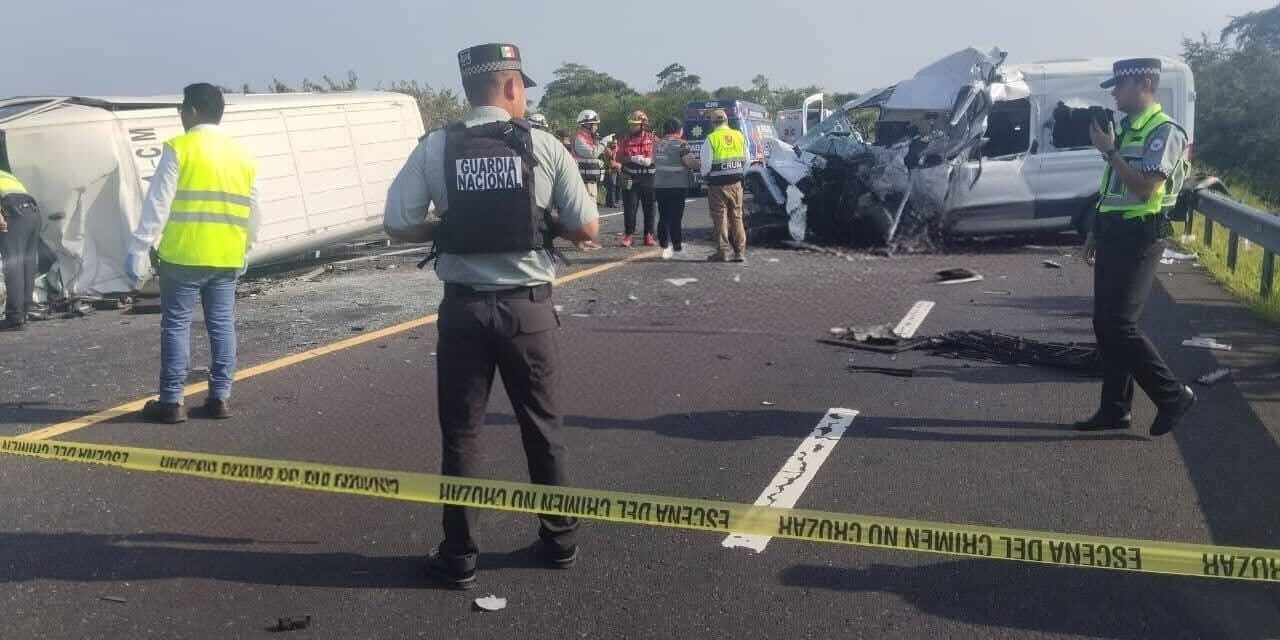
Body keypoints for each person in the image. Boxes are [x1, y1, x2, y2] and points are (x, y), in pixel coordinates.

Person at [382, 42, 599, 590]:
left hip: (463, 310)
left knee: (462, 434)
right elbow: (589, 228)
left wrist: (444, 229)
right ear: (510, 87)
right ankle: (560, 541)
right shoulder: (544, 146)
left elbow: (397, 222)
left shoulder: (435, 147)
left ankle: (458, 554)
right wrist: (544, 224)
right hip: (528, 312)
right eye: (523, 85)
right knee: (543, 429)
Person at [125, 83, 261, 423]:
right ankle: (220, 398)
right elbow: (255, 209)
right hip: (227, 256)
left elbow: (159, 202)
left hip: (183, 256)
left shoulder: (180, 148)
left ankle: (171, 401)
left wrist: (139, 248)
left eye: (181, 109)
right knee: (222, 325)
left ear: (193, 111)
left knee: (176, 324)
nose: (180, 115)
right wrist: (246, 247)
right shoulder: (241, 155)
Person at [1076, 58, 1195, 437]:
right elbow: (1112, 189)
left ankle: (1172, 395)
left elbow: (1146, 187)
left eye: (1118, 86)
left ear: (1144, 82)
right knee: (1104, 325)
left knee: (1121, 325)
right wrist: (1095, 230)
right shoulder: (1126, 130)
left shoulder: (1165, 132)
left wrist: (1110, 151)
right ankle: (1115, 409)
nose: (1113, 93)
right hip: (1113, 233)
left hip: (1141, 236)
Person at [699, 109, 748, 263]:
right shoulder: (739, 136)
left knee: (720, 219)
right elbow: (747, 161)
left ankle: (723, 252)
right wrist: (740, 176)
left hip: (717, 186)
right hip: (736, 184)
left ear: (713, 123)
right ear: (727, 121)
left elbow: (706, 165)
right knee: (737, 217)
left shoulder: (711, 139)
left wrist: (705, 176)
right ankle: (740, 252)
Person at [0, 169, 43, 331]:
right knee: (27, 264)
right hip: (32, 213)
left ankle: (14, 317)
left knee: (14, 265)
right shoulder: (5, 174)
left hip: (13, 213)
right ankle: (24, 312)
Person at [653, 118, 699, 260]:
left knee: (663, 217)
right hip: (677, 186)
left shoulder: (657, 145)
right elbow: (690, 163)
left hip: (660, 186)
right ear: (679, 130)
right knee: (675, 218)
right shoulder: (681, 145)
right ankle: (677, 249)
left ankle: (663, 248)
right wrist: (701, 164)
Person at [612, 110, 658, 247]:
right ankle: (629, 234)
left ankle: (649, 235)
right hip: (631, 177)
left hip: (649, 178)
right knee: (630, 207)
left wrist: (652, 159)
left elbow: (661, 155)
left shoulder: (654, 140)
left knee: (650, 207)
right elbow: (619, 158)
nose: (631, 127)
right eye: (631, 125)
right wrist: (632, 158)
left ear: (643, 125)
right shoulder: (625, 141)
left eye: (634, 125)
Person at [571, 110, 609, 250]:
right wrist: (604, 143)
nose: (596, 127)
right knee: (585, 211)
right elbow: (592, 153)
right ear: (587, 124)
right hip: (584, 180)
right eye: (595, 124)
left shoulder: (588, 137)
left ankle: (586, 239)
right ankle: (583, 240)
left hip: (590, 180)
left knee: (589, 210)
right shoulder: (580, 138)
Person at [602, 138, 620, 207]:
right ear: (610, 143)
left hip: (615, 170)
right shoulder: (608, 149)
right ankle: (611, 202)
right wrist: (615, 151)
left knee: (613, 186)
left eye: (616, 143)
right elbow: (612, 157)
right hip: (609, 170)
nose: (615, 145)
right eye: (613, 143)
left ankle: (609, 202)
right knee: (612, 186)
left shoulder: (613, 149)